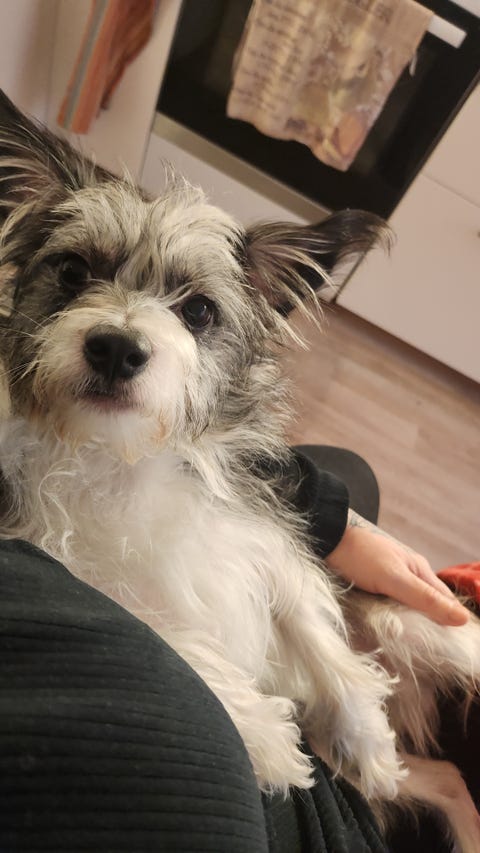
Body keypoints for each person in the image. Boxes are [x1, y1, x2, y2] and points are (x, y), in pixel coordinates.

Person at [0, 447, 472, 852]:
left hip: (300, 656)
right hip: (285, 763)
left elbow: (232, 442)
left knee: (347, 476)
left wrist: (333, 519)